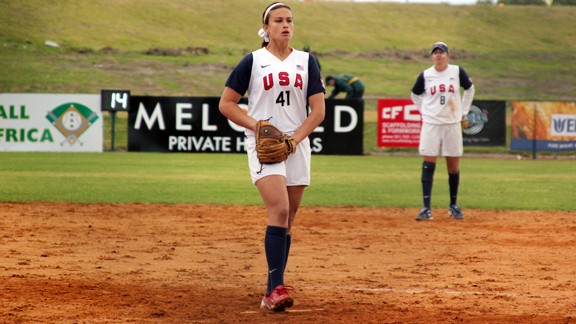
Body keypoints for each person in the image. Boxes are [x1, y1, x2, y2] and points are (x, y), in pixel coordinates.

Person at [218, 2, 325, 312]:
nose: (285, 24)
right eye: (278, 20)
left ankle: (274, 284)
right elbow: (227, 104)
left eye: (289, 20)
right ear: (265, 28)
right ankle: (274, 289)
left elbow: (318, 111)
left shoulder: (307, 62)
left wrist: (294, 139)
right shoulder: (253, 61)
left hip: (297, 143)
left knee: (289, 217)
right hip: (264, 144)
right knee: (278, 208)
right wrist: (258, 126)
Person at [410, 41, 475, 221]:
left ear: (448, 55)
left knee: (453, 166)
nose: (438, 55)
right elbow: (415, 95)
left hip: (452, 123)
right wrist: (425, 111)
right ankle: (426, 208)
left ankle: (453, 205)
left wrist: (463, 111)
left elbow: (470, 89)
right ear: (432, 56)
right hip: (431, 124)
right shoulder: (426, 75)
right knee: (428, 162)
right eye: (435, 53)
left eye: (442, 52)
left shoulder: (456, 71)